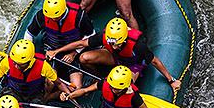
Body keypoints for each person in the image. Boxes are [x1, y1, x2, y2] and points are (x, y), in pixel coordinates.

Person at [47, 17, 181, 91]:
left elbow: (155, 61)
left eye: (117, 44)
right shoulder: (107, 37)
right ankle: (100, 78)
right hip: (115, 58)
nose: (114, 46)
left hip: (133, 64)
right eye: (112, 43)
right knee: (84, 57)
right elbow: (81, 44)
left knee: (125, 86)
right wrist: (57, 51)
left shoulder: (138, 45)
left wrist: (171, 80)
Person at [24, 0, 95, 90]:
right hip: (51, 51)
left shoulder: (79, 15)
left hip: (74, 51)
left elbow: (91, 35)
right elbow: (29, 33)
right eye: (50, 17)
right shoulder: (42, 15)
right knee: (50, 84)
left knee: (76, 87)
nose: (52, 19)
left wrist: (74, 53)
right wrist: (29, 53)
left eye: (56, 17)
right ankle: (49, 96)